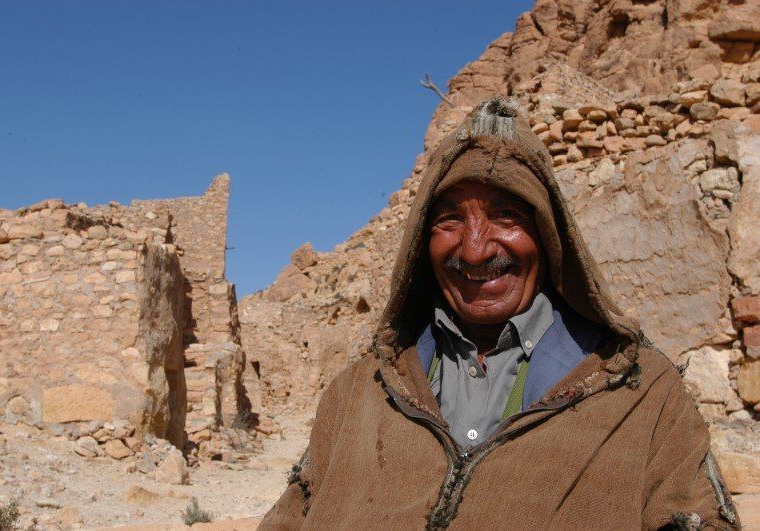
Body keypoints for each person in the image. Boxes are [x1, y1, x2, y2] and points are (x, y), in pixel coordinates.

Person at [259, 98, 741, 530]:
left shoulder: (641, 394)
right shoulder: (359, 393)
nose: (473, 251)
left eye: (506, 215)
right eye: (449, 220)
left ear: (549, 236)